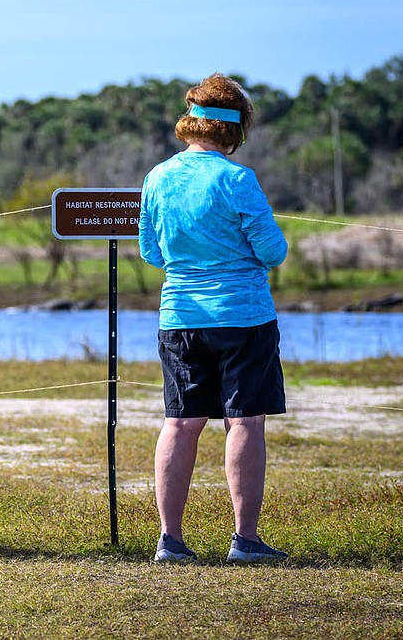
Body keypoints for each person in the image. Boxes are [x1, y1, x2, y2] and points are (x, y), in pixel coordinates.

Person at [138, 73, 290, 563]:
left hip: (179, 316)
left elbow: (151, 252)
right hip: (243, 318)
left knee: (180, 423)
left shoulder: (157, 177)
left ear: (190, 123)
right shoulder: (238, 179)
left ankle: (171, 541)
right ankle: (245, 540)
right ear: (235, 130)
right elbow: (273, 250)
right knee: (244, 421)